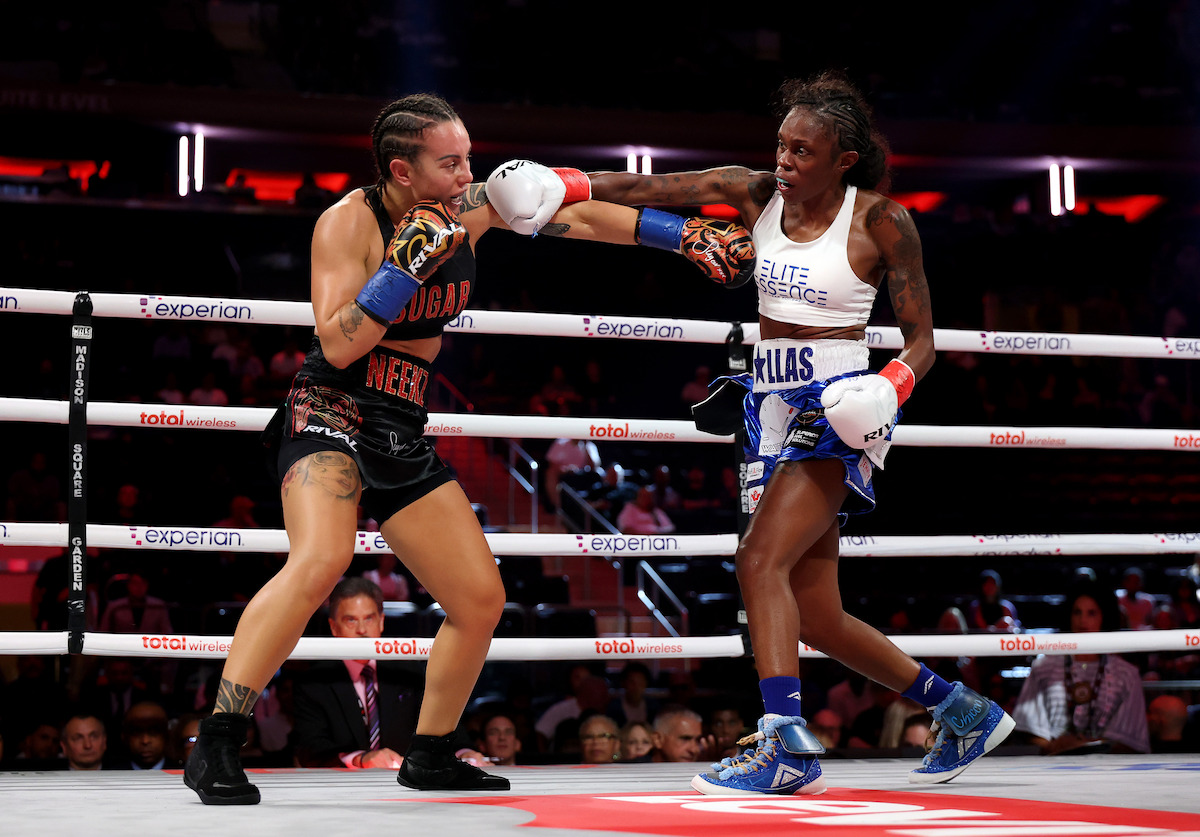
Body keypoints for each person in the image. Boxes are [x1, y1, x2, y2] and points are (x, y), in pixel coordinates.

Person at [184, 92, 756, 805]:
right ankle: (217, 740)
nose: (467, 174)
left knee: (479, 598)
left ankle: (427, 752)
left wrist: (684, 235)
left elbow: (574, 213)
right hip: (329, 405)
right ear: (401, 169)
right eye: (450, 162)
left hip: (400, 421)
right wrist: (403, 268)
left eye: (469, 158)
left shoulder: (474, 205)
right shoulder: (346, 223)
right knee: (322, 558)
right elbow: (336, 342)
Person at [587, 70, 1012, 795]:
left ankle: (785, 745)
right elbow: (640, 191)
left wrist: (890, 386)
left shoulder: (881, 220)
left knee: (758, 557)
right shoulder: (754, 192)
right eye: (781, 146)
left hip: (840, 399)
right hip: (769, 402)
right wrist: (552, 185)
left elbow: (923, 341)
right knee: (815, 611)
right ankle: (963, 708)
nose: (784, 161)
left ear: (844, 159)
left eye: (802, 151)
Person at [291, 577, 422, 768]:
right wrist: (360, 759)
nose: (362, 630)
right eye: (351, 620)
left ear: (381, 621)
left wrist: (464, 752)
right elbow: (311, 750)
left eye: (369, 618)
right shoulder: (313, 683)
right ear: (334, 627)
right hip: (340, 789)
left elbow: (444, 734)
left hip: (407, 782)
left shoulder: (410, 672)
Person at [1012, 580, 1150, 755]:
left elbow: (1132, 742)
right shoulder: (1044, 666)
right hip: (1052, 766)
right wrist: (1058, 746)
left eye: (1091, 613)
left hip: (1110, 769)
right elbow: (1027, 729)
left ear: (1104, 617)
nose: (1082, 620)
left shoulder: (1126, 674)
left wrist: (1093, 748)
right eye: (1077, 612)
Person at [118, 701, 170, 770]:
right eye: (137, 732)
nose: (145, 741)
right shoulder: (109, 775)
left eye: (153, 732)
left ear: (166, 735)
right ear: (124, 737)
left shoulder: (183, 774)